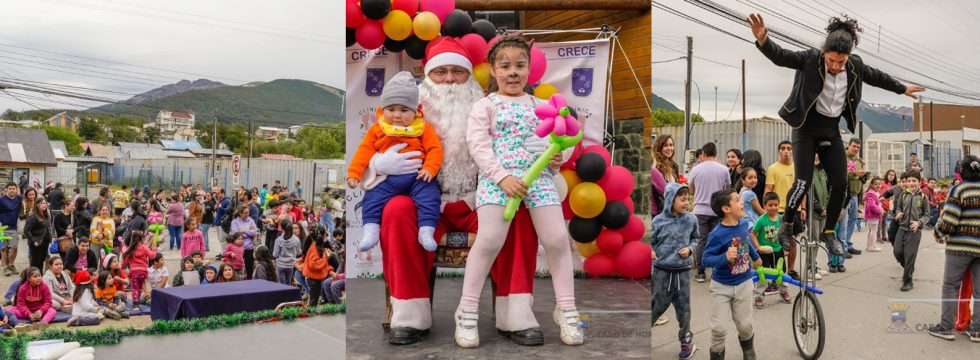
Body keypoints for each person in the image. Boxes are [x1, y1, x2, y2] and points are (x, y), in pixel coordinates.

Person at [366, 36, 544, 346]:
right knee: (395, 211)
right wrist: (379, 163)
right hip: (426, 203)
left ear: (470, 76)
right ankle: (410, 314)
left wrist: (550, 155)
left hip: (481, 200)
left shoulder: (490, 106)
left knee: (519, 212)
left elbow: (525, 145)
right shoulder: (406, 112)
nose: (449, 79)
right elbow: (370, 149)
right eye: (441, 72)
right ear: (428, 76)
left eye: (458, 72)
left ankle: (515, 313)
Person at [750, 14, 924, 261]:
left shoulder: (854, 66)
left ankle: (829, 232)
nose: (835, 66)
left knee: (841, 183)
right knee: (802, 182)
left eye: (840, 62)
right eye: (832, 60)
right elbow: (782, 57)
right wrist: (763, 40)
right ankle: (786, 223)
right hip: (806, 128)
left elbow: (878, 77)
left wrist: (902, 88)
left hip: (831, 129)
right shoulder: (810, 59)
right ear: (824, 52)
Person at [457, 35, 582, 348]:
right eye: (505, 66)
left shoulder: (544, 106)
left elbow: (561, 142)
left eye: (520, 65)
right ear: (493, 70)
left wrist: (558, 158)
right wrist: (501, 177)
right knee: (488, 241)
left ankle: (566, 308)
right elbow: (478, 146)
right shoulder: (485, 106)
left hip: (538, 182)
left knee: (556, 239)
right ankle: (466, 310)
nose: (512, 72)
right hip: (498, 182)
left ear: (530, 70)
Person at [348, 71, 443, 253]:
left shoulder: (423, 128)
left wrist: (430, 168)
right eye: (391, 109)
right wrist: (354, 174)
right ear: (382, 109)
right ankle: (371, 231)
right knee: (371, 199)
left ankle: (426, 230)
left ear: (416, 110)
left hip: (418, 177)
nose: (397, 115)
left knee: (430, 197)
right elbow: (363, 152)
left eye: (404, 110)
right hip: (387, 180)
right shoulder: (377, 128)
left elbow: (435, 149)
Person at [701, 189, 761, 359]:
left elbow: (746, 242)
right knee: (718, 328)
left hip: (744, 283)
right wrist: (724, 257)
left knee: (746, 326)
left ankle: (749, 353)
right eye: (737, 200)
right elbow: (705, 259)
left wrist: (756, 257)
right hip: (721, 287)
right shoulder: (717, 234)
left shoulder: (743, 225)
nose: (742, 203)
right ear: (726, 209)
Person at [928, 155, 980, 341]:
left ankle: (946, 327)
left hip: (959, 248)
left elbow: (949, 222)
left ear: (962, 172)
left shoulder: (958, 190)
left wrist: (937, 233)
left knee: (950, 286)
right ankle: (976, 330)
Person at [650, 183, 698, 359]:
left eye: (688, 199)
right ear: (671, 199)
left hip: (683, 272)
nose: (686, 203)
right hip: (662, 271)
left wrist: (690, 249)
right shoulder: (658, 221)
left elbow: (696, 239)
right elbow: (651, 242)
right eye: (682, 199)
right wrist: (651, 251)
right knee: (655, 307)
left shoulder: (691, 219)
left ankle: (686, 342)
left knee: (684, 310)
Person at [689, 142, 731, 283]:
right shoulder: (724, 169)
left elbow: (691, 189)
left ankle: (700, 272)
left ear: (703, 154)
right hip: (717, 210)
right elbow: (727, 189)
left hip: (699, 210)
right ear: (716, 153)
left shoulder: (696, 169)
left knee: (701, 240)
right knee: (717, 240)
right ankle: (716, 271)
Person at [765, 141, 802, 280]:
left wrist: (803, 208)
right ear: (779, 151)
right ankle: (777, 271)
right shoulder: (773, 168)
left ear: (792, 151)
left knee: (792, 240)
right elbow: (768, 189)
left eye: (789, 149)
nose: (786, 151)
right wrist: (766, 208)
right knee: (776, 240)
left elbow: (801, 190)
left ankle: (791, 270)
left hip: (795, 210)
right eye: (783, 148)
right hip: (777, 210)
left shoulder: (798, 168)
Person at [751, 193, 792, 308]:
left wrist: (785, 248)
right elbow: (753, 234)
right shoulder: (761, 220)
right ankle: (759, 296)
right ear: (764, 206)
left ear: (779, 205)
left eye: (776, 205)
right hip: (764, 252)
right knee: (763, 275)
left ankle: (783, 292)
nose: (773, 207)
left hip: (778, 250)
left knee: (781, 273)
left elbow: (785, 234)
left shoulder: (781, 219)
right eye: (770, 205)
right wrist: (758, 247)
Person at [893, 170, 930, 292]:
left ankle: (907, 281)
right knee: (897, 252)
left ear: (919, 182)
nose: (911, 183)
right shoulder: (903, 195)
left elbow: (927, 215)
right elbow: (898, 208)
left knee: (910, 256)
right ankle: (909, 268)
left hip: (915, 231)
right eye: (909, 181)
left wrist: (918, 222)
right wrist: (898, 213)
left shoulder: (923, 197)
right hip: (902, 228)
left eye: (914, 180)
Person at [842, 139, 867, 256]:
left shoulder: (858, 160)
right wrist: (855, 174)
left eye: (858, 147)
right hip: (845, 194)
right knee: (844, 221)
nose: (856, 149)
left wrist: (863, 175)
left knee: (853, 220)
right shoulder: (842, 157)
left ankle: (847, 243)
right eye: (854, 146)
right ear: (849, 146)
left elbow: (859, 174)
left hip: (855, 194)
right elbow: (842, 173)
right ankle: (843, 247)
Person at [121, 230, 157, 305]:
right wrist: (154, 248)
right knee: (140, 288)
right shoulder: (145, 248)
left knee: (134, 288)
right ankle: (137, 300)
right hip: (143, 272)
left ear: (132, 239)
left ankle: (135, 303)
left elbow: (125, 262)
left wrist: (122, 267)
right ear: (142, 239)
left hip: (134, 272)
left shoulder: (131, 250)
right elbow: (152, 256)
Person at [301, 225, 332, 307]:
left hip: (312, 278)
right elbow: (313, 264)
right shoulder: (315, 247)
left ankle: (311, 315)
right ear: (323, 235)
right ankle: (311, 316)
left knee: (313, 300)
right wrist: (325, 257)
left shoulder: (314, 245)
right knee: (313, 302)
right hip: (313, 278)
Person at [23, 198, 52, 271]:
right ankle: (32, 278)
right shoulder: (33, 216)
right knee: (35, 262)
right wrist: (33, 241)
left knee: (41, 260)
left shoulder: (45, 214)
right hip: (37, 242)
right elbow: (27, 230)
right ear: (37, 205)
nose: (44, 205)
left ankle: (39, 276)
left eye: (45, 203)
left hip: (45, 242)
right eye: (42, 203)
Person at [0, 183, 22, 277]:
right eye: (10, 188)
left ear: (16, 189)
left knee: (14, 248)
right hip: (2, 228)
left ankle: (11, 265)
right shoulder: (1, 200)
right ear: (6, 189)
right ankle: (5, 268)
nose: (12, 190)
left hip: (14, 228)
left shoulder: (19, 198)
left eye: (13, 188)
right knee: (3, 249)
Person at [230, 206, 258, 279]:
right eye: (245, 213)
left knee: (249, 267)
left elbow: (255, 232)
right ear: (240, 213)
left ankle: (250, 280)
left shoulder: (251, 220)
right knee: (237, 266)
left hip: (249, 247)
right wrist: (249, 231)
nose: (247, 214)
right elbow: (235, 234)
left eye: (248, 212)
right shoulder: (235, 222)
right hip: (238, 248)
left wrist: (243, 230)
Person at [273, 220, 303, 286]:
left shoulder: (278, 240)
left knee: (281, 284)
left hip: (280, 264)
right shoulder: (296, 239)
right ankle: (288, 296)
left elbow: (275, 254)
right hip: (290, 265)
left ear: (282, 228)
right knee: (288, 283)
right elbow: (298, 252)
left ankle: (282, 296)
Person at [863, 177, 885, 252]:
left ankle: (869, 245)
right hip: (873, 215)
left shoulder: (873, 193)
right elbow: (871, 206)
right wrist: (880, 210)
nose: (878, 186)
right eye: (876, 184)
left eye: (879, 184)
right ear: (872, 185)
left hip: (871, 215)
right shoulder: (871, 194)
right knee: (873, 231)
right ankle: (872, 246)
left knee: (871, 231)